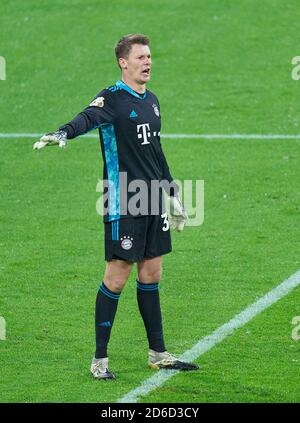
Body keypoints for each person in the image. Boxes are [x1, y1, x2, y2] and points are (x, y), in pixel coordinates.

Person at [33, 34, 199, 380]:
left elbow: (155, 150)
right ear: (124, 62)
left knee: (152, 273)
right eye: (141, 57)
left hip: (152, 197)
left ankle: (158, 353)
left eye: (150, 56)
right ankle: (99, 360)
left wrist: (172, 192)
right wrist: (63, 132)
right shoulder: (111, 98)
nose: (148, 62)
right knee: (117, 276)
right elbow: (87, 118)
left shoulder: (152, 101)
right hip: (124, 199)